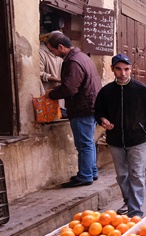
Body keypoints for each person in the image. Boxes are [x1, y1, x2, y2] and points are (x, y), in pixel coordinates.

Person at [95, 54, 146, 217]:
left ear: (131, 70)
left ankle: (135, 210)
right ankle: (128, 201)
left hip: (137, 139)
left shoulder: (141, 89)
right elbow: (98, 111)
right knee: (122, 175)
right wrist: (103, 119)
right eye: (119, 69)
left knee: (136, 174)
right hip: (114, 140)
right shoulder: (106, 92)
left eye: (126, 69)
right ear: (113, 70)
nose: (123, 73)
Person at [45, 33, 102, 188]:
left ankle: (85, 175)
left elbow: (70, 89)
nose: (53, 54)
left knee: (84, 144)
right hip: (90, 105)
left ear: (61, 47)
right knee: (89, 142)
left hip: (82, 107)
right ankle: (91, 172)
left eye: (53, 51)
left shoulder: (73, 61)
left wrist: (52, 94)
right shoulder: (83, 57)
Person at [39, 31, 63, 108]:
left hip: (59, 90)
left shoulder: (61, 52)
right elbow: (38, 72)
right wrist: (52, 78)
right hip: (47, 90)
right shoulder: (41, 52)